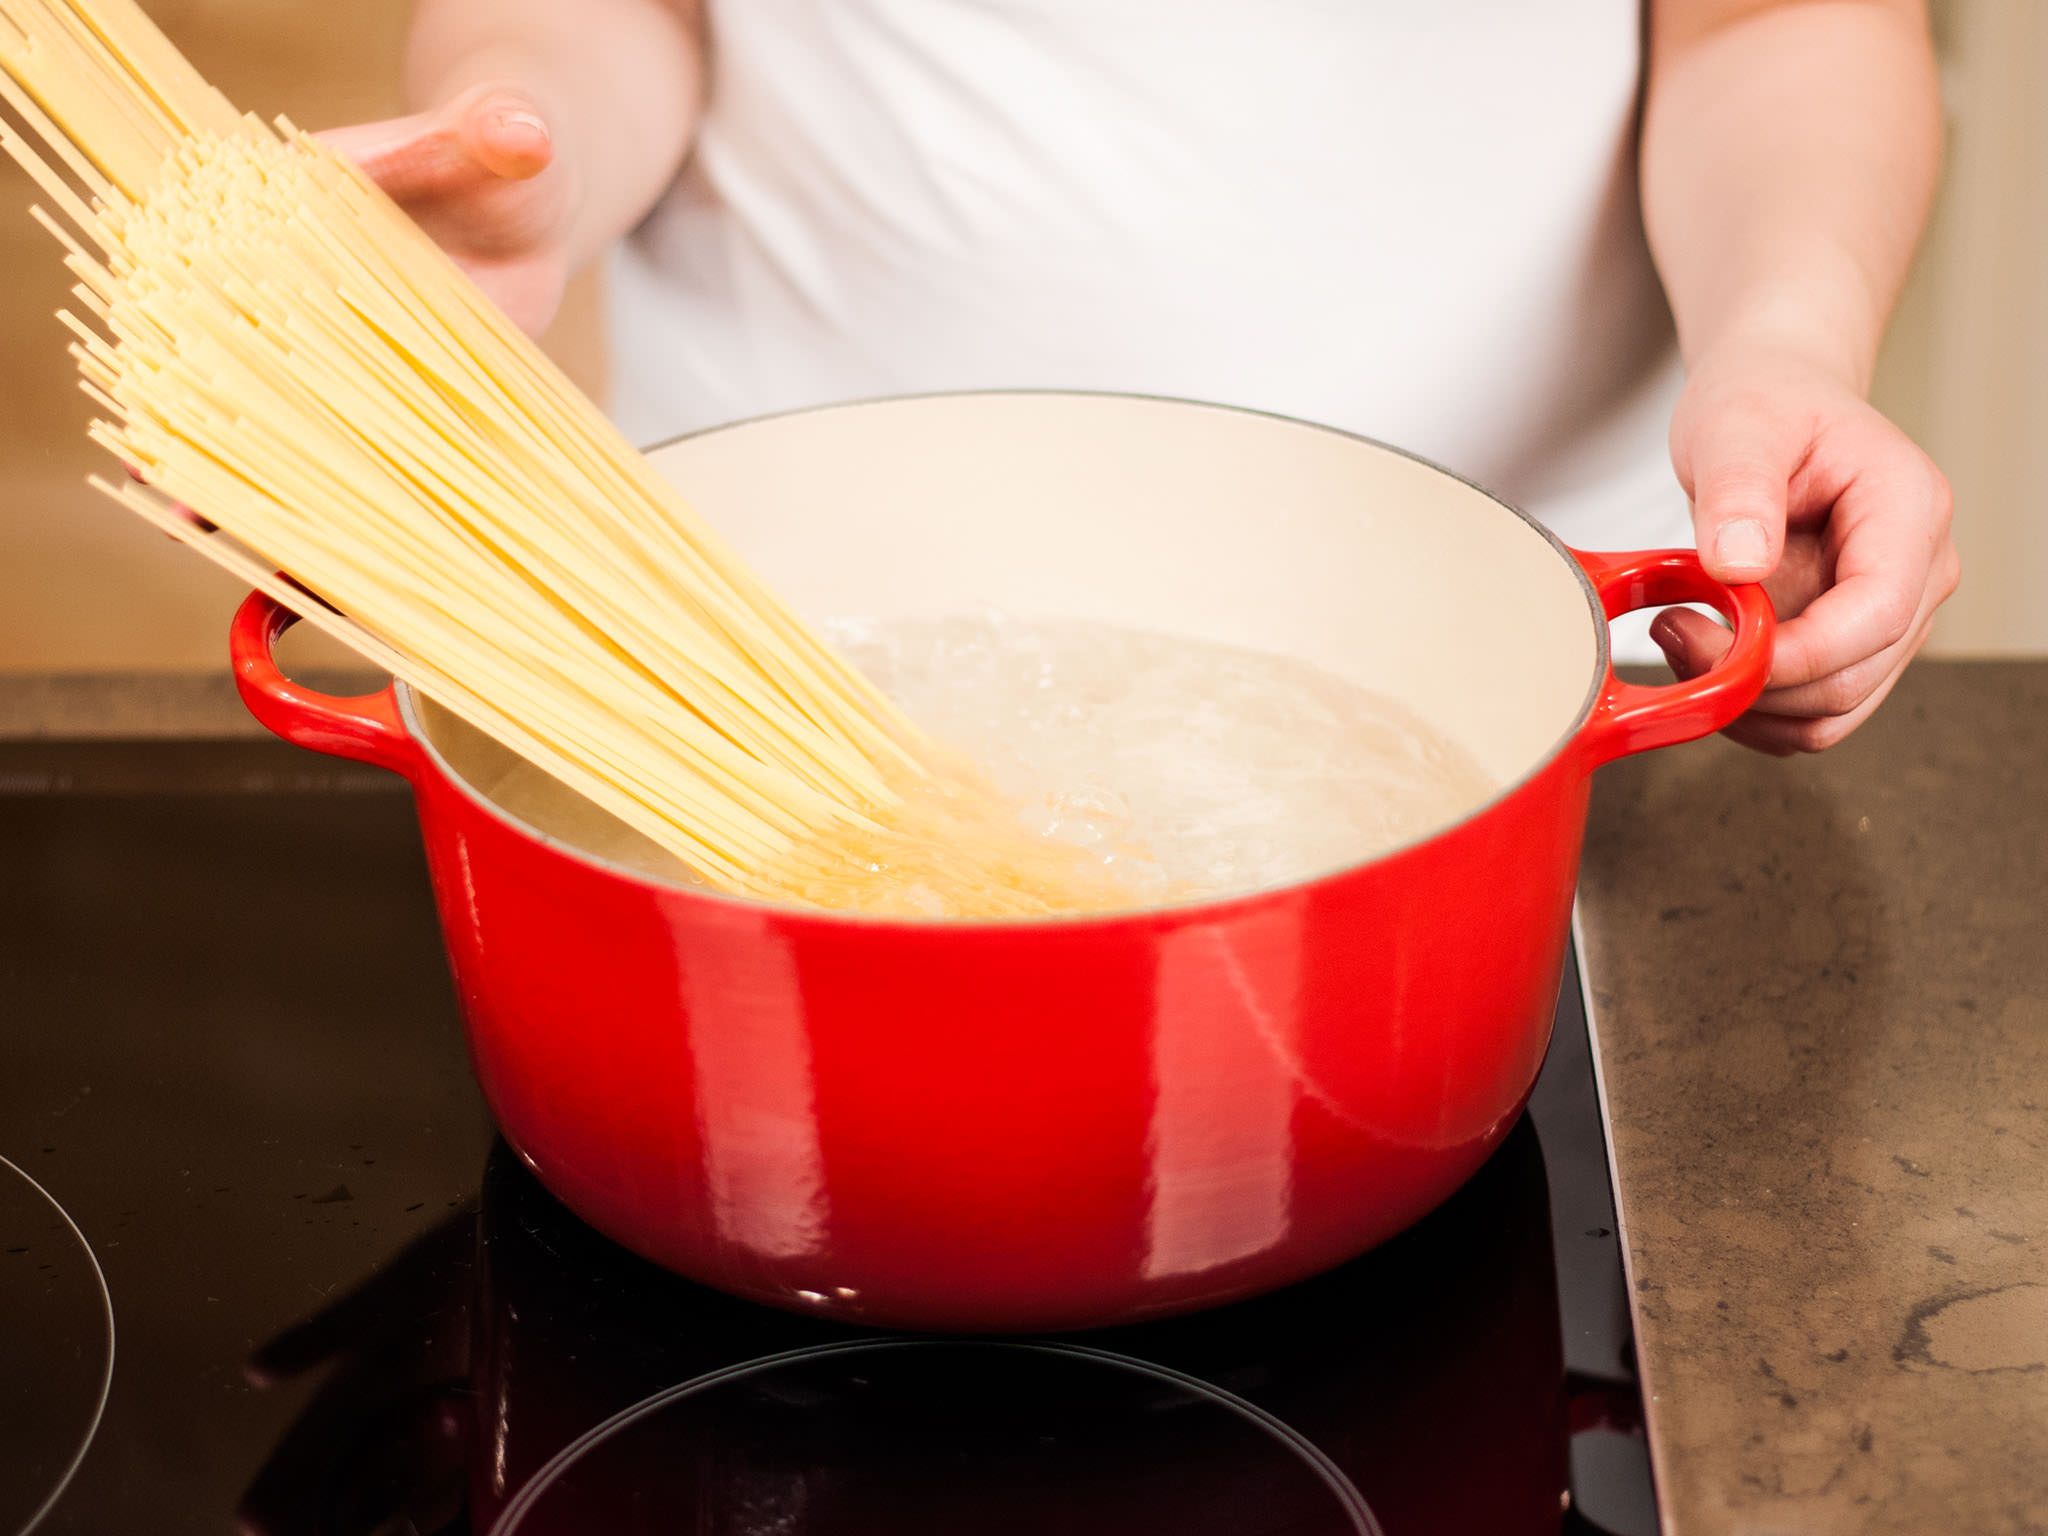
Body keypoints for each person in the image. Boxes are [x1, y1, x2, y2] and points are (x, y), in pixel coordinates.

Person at [324, 0, 1958, 754]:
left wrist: (1787, 343)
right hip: (766, 672)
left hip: (1552, 674)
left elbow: (1775, 16)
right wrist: (517, 135)